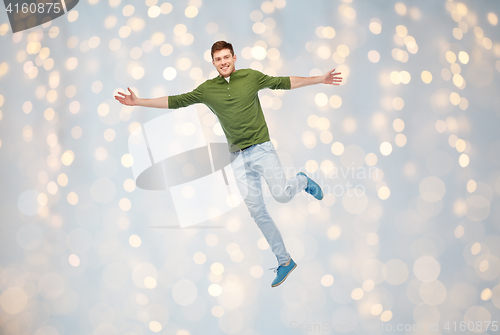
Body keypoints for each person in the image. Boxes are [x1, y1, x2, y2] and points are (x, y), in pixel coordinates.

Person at [115, 41, 342, 287]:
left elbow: (284, 82)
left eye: (226, 57)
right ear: (213, 63)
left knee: (283, 196)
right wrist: (139, 102)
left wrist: (320, 79)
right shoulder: (207, 89)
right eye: (218, 59)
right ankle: (285, 261)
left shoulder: (251, 77)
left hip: (262, 150)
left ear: (235, 57)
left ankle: (302, 181)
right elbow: (177, 100)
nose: (223, 62)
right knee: (257, 212)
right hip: (237, 158)